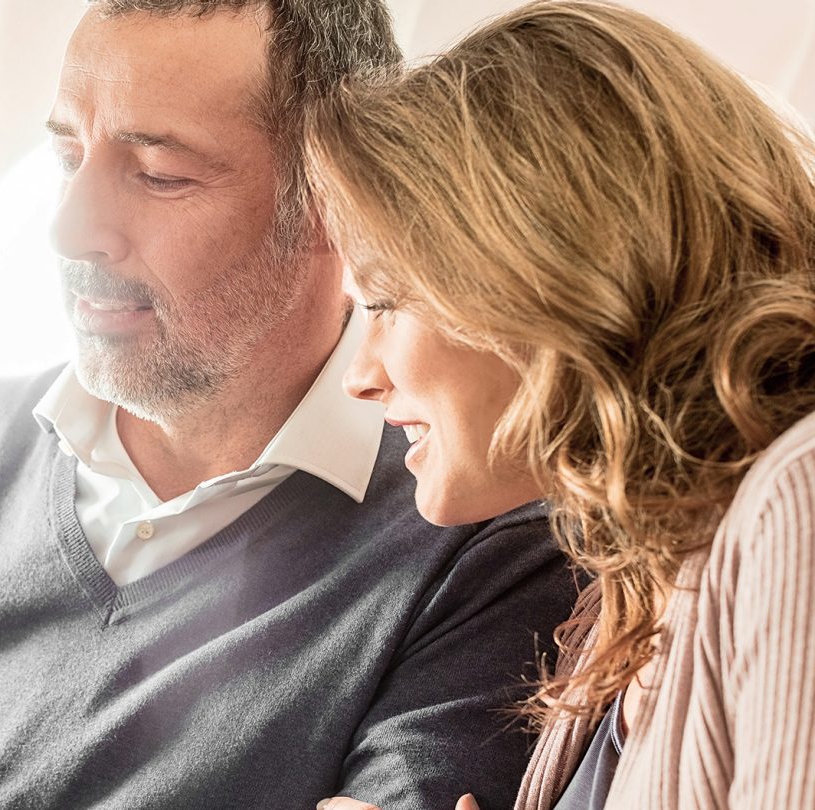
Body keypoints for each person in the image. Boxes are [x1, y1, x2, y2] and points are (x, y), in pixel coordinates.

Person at [0, 2, 578, 808]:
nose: (70, 226)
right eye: (68, 158)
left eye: (158, 173)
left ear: (338, 200)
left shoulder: (482, 533)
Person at [304, 2, 815, 809]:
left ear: (541, 270)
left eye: (385, 302)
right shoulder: (624, 599)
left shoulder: (800, 500)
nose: (359, 377)